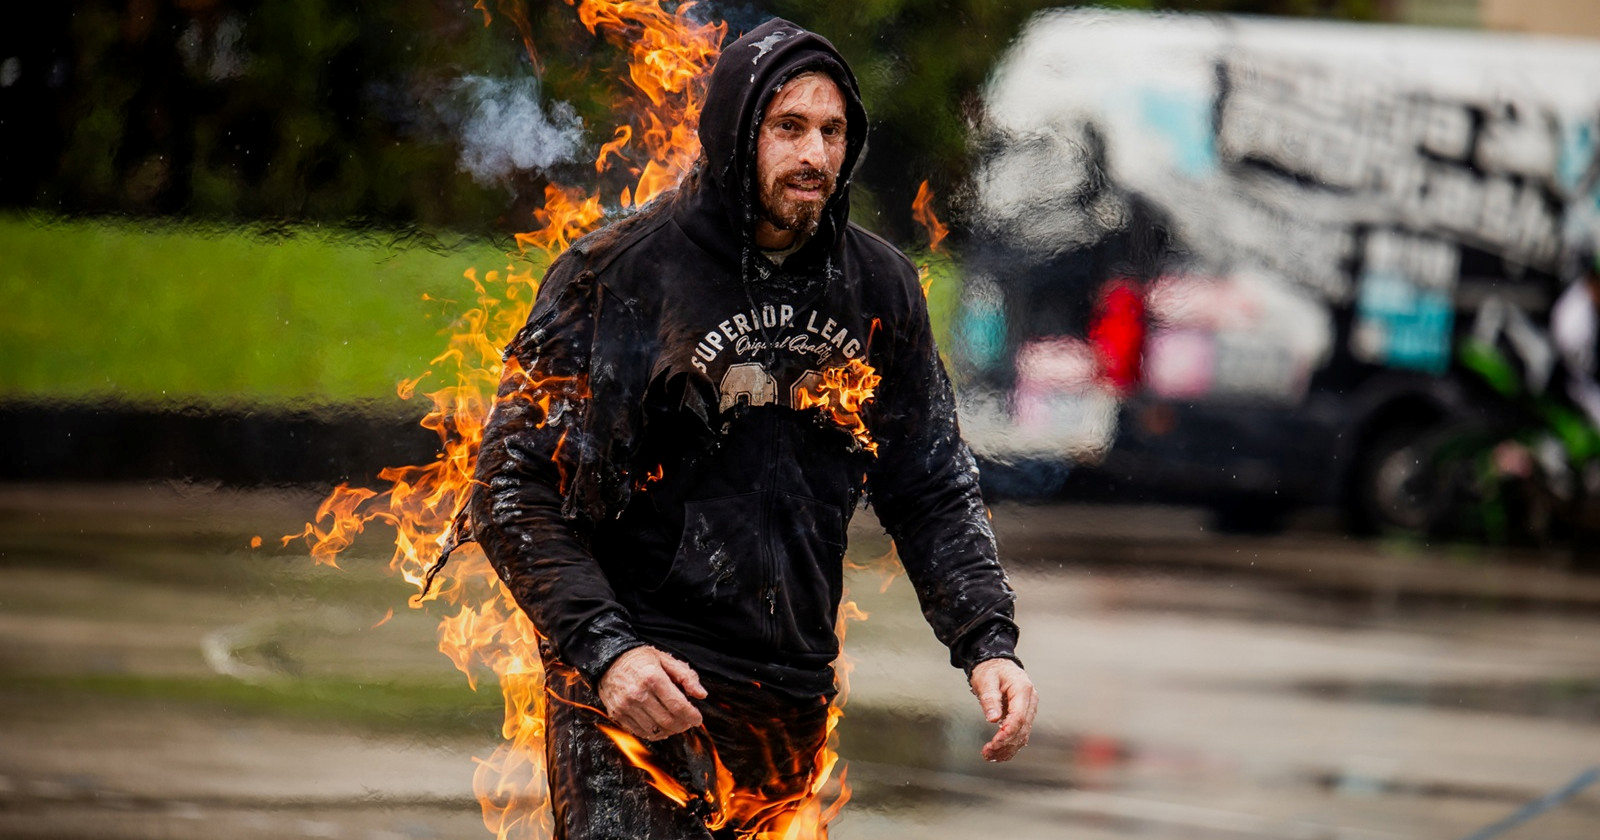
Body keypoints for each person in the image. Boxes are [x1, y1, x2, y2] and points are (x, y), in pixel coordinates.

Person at [468, 18, 1036, 839]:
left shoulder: (878, 286)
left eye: (833, 131)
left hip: (787, 698)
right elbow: (510, 484)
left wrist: (989, 642)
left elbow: (931, 485)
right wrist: (608, 650)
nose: (815, 155)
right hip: (642, 688)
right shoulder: (622, 273)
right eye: (790, 127)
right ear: (737, 133)